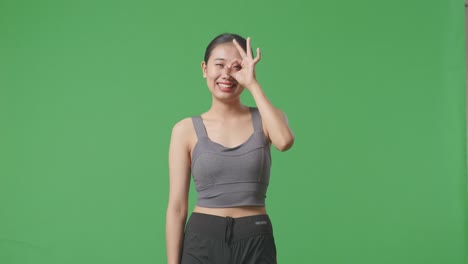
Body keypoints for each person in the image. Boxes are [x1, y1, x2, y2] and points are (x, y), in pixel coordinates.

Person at [166, 33, 295, 264]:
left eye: (237, 67)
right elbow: (176, 207)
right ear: (205, 68)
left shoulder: (266, 119)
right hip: (202, 239)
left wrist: (253, 84)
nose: (227, 73)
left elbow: (284, 141)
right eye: (219, 65)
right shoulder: (185, 129)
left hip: (255, 238)